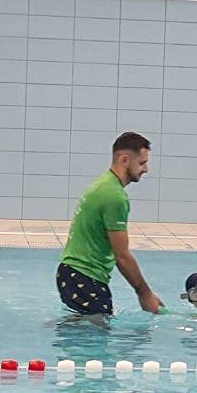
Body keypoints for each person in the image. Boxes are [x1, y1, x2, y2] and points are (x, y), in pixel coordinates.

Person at [56, 132, 164, 315]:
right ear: (124, 160)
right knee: (96, 331)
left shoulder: (103, 184)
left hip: (71, 274)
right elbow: (122, 256)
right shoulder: (115, 196)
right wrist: (145, 294)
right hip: (85, 277)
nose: (146, 169)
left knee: (86, 326)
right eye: (142, 163)